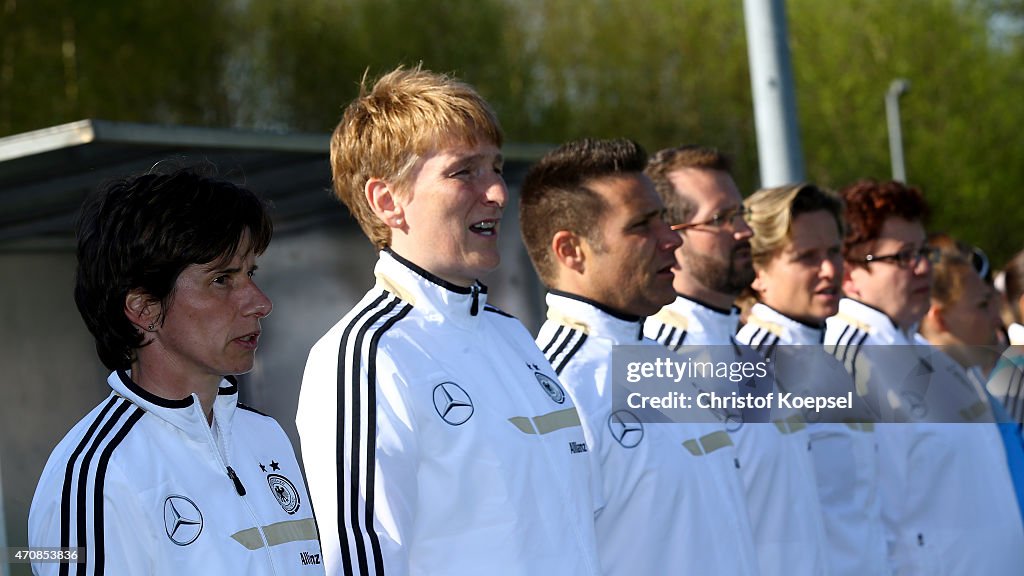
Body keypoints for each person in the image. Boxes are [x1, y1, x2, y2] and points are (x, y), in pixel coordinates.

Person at [296, 66, 600, 576]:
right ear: (386, 201)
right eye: (464, 172)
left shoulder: (512, 338)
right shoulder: (365, 355)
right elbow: (359, 561)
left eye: (496, 168)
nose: (498, 193)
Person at [29, 166, 324, 575]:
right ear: (143, 308)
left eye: (250, 273)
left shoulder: (266, 436)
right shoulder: (98, 472)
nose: (260, 302)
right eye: (222, 279)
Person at [519, 137, 759, 575]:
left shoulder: (665, 360)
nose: (670, 239)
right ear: (571, 251)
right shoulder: (555, 389)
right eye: (641, 226)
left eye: (664, 220)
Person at [643, 146, 830, 576]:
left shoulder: (750, 348)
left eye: (741, 213)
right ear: (672, 235)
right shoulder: (663, 358)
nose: (745, 230)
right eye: (721, 219)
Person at [826, 179, 1024, 575]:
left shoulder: (924, 350)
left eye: (923, 252)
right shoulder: (842, 360)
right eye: (901, 257)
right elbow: (847, 521)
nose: (921, 268)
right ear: (850, 274)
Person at [736, 183, 887, 576]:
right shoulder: (751, 370)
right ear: (758, 271)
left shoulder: (828, 354)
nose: (830, 269)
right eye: (806, 257)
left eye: (835, 251)